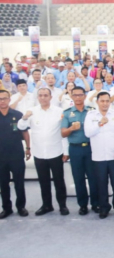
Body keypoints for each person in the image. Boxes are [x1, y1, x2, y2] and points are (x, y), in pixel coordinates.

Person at [17, 88, 69, 216]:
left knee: (59, 181)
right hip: (39, 153)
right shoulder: (31, 112)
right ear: (37, 98)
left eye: (46, 95)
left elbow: (64, 133)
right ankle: (47, 205)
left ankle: (62, 205)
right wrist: (24, 118)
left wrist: (66, 151)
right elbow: (20, 127)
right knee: (43, 181)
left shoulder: (59, 112)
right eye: (40, 95)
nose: (43, 97)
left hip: (56, 152)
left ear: (51, 97)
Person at [84, 92, 114, 219]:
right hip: (98, 157)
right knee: (101, 184)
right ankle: (104, 208)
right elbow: (88, 133)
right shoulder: (91, 115)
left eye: (107, 101)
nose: (105, 103)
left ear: (110, 102)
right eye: (102, 101)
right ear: (97, 102)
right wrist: (99, 123)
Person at [60, 86, 99, 215]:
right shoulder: (67, 113)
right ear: (71, 96)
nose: (78, 97)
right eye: (75, 95)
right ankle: (83, 205)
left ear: (85, 96)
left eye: (80, 95)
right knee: (78, 178)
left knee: (94, 177)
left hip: (90, 148)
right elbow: (63, 133)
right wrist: (71, 128)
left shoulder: (92, 111)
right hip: (75, 149)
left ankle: (95, 203)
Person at [0, 89, 30, 219]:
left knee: (19, 182)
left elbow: (24, 132)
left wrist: (28, 148)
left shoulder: (17, 114)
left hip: (16, 154)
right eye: (0, 99)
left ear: (9, 99)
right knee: (3, 183)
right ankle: (7, 208)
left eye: (5, 98)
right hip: (1, 157)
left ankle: (21, 207)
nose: (2, 101)